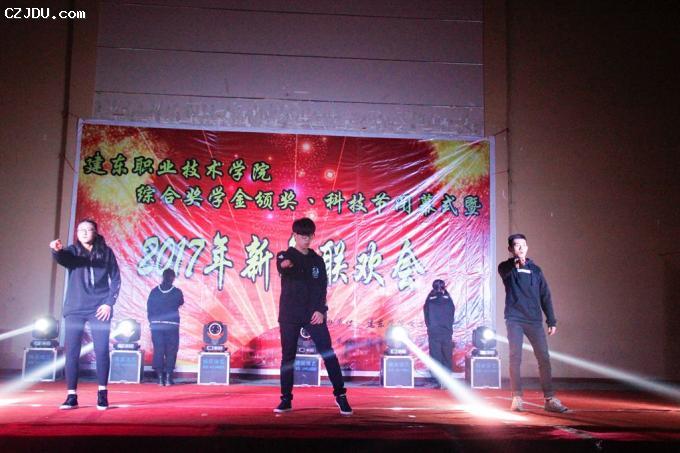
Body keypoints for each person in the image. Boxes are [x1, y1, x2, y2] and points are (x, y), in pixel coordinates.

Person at [273, 217, 352, 415]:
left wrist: (320, 310)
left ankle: (340, 395)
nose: (305, 239)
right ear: (294, 235)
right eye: (301, 236)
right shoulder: (285, 255)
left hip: (313, 314)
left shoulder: (317, 260)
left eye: (308, 236)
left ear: (313, 236)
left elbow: (321, 287)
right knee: (288, 357)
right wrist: (285, 264)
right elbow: (282, 265)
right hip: (290, 314)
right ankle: (286, 399)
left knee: (328, 353)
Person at [50, 219, 120, 410]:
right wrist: (56, 251)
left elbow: (115, 279)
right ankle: (71, 396)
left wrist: (109, 303)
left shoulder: (106, 252)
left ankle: (102, 393)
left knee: (102, 349)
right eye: (81, 229)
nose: (84, 232)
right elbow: (63, 259)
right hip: (75, 308)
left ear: (95, 232)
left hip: (99, 308)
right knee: (72, 351)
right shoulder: (72, 251)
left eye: (88, 229)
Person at [498, 233, 568, 413]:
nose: (521, 248)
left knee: (544, 357)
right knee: (515, 357)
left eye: (523, 245)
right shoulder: (505, 267)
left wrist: (551, 320)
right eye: (517, 245)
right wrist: (517, 264)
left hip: (534, 320)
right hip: (514, 319)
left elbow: (545, 295)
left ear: (527, 247)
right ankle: (517, 397)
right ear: (510, 249)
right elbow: (508, 275)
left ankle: (550, 399)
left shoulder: (536, 270)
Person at [147, 269, 184, 386]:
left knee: (158, 350)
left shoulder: (154, 291)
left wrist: (152, 322)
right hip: (171, 325)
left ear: (162, 277)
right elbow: (180, 302)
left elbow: (149, 308)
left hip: (156, 325)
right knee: (171, 350)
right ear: (173, 278)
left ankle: (160, 379)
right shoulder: (177, 292)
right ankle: (168, 378)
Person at [423, 279, 455, 387]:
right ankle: (447, 380)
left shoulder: (430, 300)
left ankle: (437, 380)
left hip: (434, 332)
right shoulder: (448, 299)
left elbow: (426, 315)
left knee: (436, 356)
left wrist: (430, 327)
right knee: (447, 356)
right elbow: (452, 314)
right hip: (446, 332)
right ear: (444, 287)